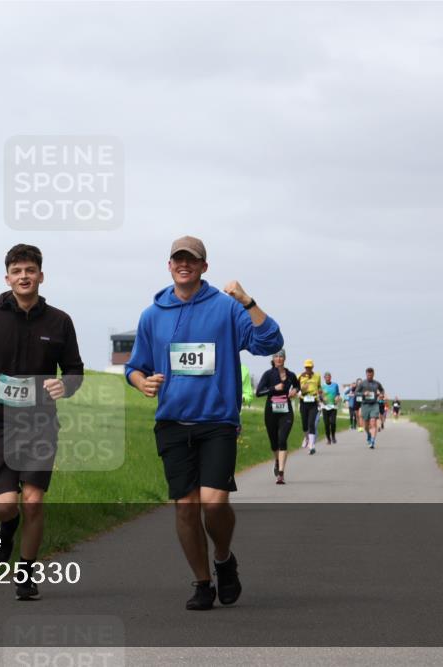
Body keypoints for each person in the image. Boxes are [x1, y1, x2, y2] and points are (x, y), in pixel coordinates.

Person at [124, 236, 283, 611]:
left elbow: (269, 341)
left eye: (192, 260)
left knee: (213, 504)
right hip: (172, 422)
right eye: (178, 259)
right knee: (185, 507)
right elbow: (134, 367)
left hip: (217, 421)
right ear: (169, 265)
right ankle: (201, 582)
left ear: (203, 267)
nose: (184, 265)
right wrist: (141, 382)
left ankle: (224, 559)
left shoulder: (226, 308)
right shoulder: (152, 315)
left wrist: (247, 301)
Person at [0, 244, 84, 601]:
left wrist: (66, 385)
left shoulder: (59, 321)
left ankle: (26, 571)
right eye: (17, 271)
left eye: (30, 270)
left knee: (34, 501)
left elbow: (75, 370)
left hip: (41, 423)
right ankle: (6, 526)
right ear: (7, 278)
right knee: (5, 505)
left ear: (41, 276)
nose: (24, 276)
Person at [255, 350, 298, 484]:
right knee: (274, 443)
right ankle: (277, 460)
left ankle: (281, 474)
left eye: (281, 356)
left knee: (282, 440)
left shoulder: (291, 375)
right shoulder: (268, 374)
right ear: (273, 359)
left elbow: (297, 385)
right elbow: (259, 392)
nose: (278, 359)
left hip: (286, 411)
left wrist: (294, 390)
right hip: (271, 412)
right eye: (276, 356)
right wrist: (274, 388)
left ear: (284, 359)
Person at [355, 368, 386, 449]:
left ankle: (372, 441)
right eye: (368, 375)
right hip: (365, 405)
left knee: (373, 422)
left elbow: (382, 390)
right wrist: (363, 393)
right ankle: (369, 435)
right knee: (366, 426)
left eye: (371, 375)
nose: (369, 376)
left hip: (374, 404)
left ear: (373, 374)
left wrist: (381, 394)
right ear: (366, 374)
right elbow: (356, 393)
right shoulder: (362, 383)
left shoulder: (377, 383)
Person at [297, 360, 321, 454]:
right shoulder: (299, 376)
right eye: (307, 367)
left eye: (310, 367)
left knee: (311, 423)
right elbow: (296, 388)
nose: (308, 369)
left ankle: (311, 445)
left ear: (312, 367)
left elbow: (319, 387)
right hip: (303, 402)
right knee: (304, 424)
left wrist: (320, 395)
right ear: (304, 367)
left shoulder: (317, 376)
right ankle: (306, 438)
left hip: (313, 402)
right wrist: (300, 391)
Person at [320, 372, 341, 444]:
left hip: (333, 406)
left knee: (333, 422)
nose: (327, 378)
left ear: (330, 377)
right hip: (325, 407)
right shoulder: (322, 386)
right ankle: (328, 439)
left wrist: (337, 398)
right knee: (326, 424)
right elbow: (319, 395)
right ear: (324, 378)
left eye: (329, 377)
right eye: (326, 377)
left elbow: (338, 394)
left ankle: (333, 436)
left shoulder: (335, 385)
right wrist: (323, 400)